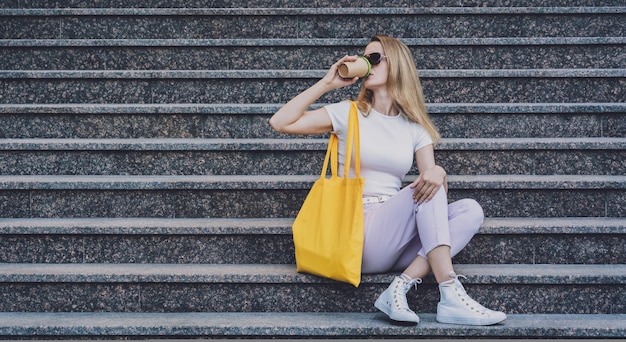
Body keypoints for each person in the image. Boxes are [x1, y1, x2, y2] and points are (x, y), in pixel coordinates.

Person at [269, 35, 506, 326]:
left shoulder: (416, 128)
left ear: (398, 65)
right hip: (358, 234)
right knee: (427, 184)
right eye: (364, 59)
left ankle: (400, 285)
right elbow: (280, 122)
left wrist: (439, 172)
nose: (367, 64)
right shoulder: (348, 113)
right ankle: (450, 291)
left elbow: (433, 186)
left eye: (375, 58)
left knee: (470, 209)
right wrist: (328, 83)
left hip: (396, 241)